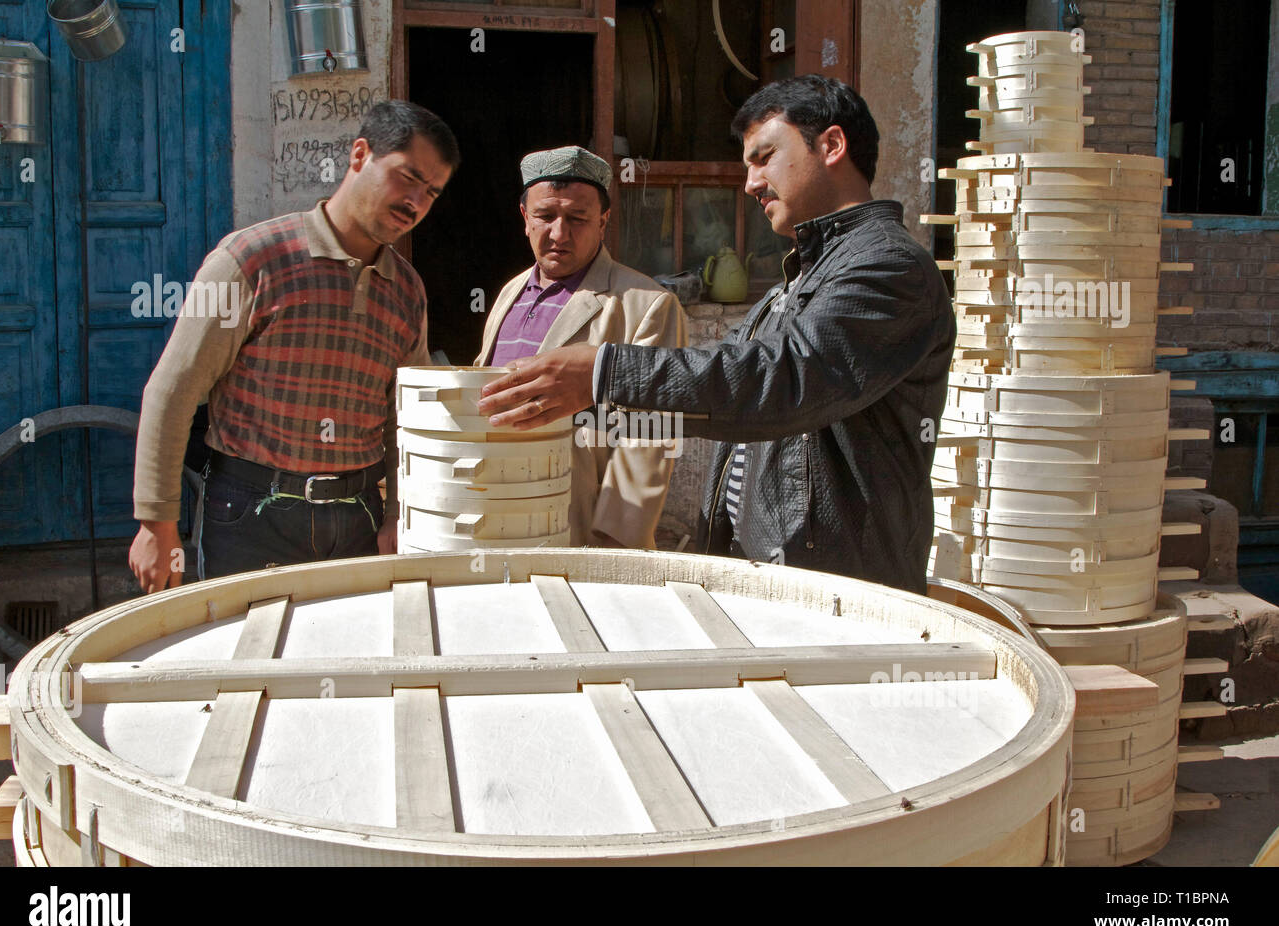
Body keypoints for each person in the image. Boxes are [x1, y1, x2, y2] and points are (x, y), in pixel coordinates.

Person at [476, 76, 955, 594]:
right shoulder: (800, 281)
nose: (750, 183)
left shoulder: (887, 268)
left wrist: (603, 371)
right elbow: (731, 382)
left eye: (764, 156)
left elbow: (779, 380)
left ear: (832, 146)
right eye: (545, 217)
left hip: (837, 587)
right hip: (778, 577)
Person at [128, 100, 459, 592]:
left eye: (431, 192)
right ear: (359, 155)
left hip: (358, 519)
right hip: (251, 516)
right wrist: (157, 523)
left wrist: (399, 514)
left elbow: (403, 417)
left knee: (352, 661)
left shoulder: (407, 290)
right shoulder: (250, 260)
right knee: (249, 663)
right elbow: (173, 392)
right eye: (406, 177)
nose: (416, 201)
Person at [474, 146, 688, 548]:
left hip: (578, 529)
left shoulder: (646, 304)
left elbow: (654, 430)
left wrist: (614, 540)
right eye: (545, 216)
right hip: (499, 518)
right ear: (525, 218)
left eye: (577, 219)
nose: (559, 233)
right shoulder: (508, 294)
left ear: (603, 221)